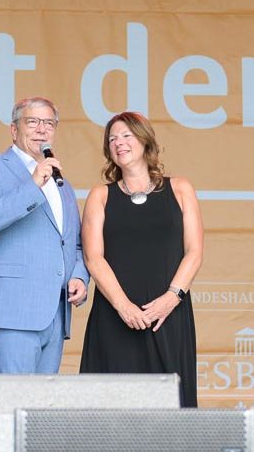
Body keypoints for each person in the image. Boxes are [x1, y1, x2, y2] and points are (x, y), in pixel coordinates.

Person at [79, 111, 203, 407]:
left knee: (171, 407)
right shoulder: (100, 196)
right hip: (115, 317)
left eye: (126, 136)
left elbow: (195, 251)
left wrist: (172, 298)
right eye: (112, 139)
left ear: (145, 140)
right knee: (113, 408)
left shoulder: (181, 188)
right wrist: (124, 307)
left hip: (168, 316)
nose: (118, 143)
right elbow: (93, 257)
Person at [0, 96, 89, 374]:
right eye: (32, 122)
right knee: (15, 403)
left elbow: (74, 242)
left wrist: (80, 275)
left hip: (55, 312)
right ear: (14, 129)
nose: (41, 130)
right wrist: (33, 185)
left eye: (49, 123)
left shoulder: (62, 183)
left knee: (41, 410)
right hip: (11, 309)